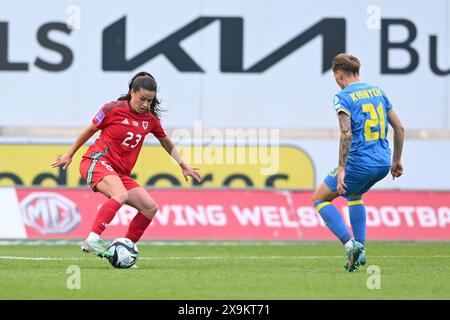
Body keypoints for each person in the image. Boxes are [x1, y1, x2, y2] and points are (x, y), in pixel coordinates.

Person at [51, 71, 202, 258]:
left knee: (149, 207)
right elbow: (90, 130)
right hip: (96, 161)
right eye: (142, 99)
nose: (146, 104)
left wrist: (183, 164)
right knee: (119, 194)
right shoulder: (112, 109)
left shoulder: (150, 120)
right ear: (132, 92)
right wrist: (70, 153)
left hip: (120, 172)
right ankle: (92, 238)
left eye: (150, 101)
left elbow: (166, 141)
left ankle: (125, 249)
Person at [312, 54, 405, 272]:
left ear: (338, 73)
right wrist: (397, 160)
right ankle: (360, 251)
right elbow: (400, 128)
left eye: (334, 75)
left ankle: (349, 244)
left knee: (320, 199)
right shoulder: (378, 92)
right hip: (382, 163)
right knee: (354, 196)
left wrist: (342, 168)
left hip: (358, 163)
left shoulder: (342, 97)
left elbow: (346, 134)